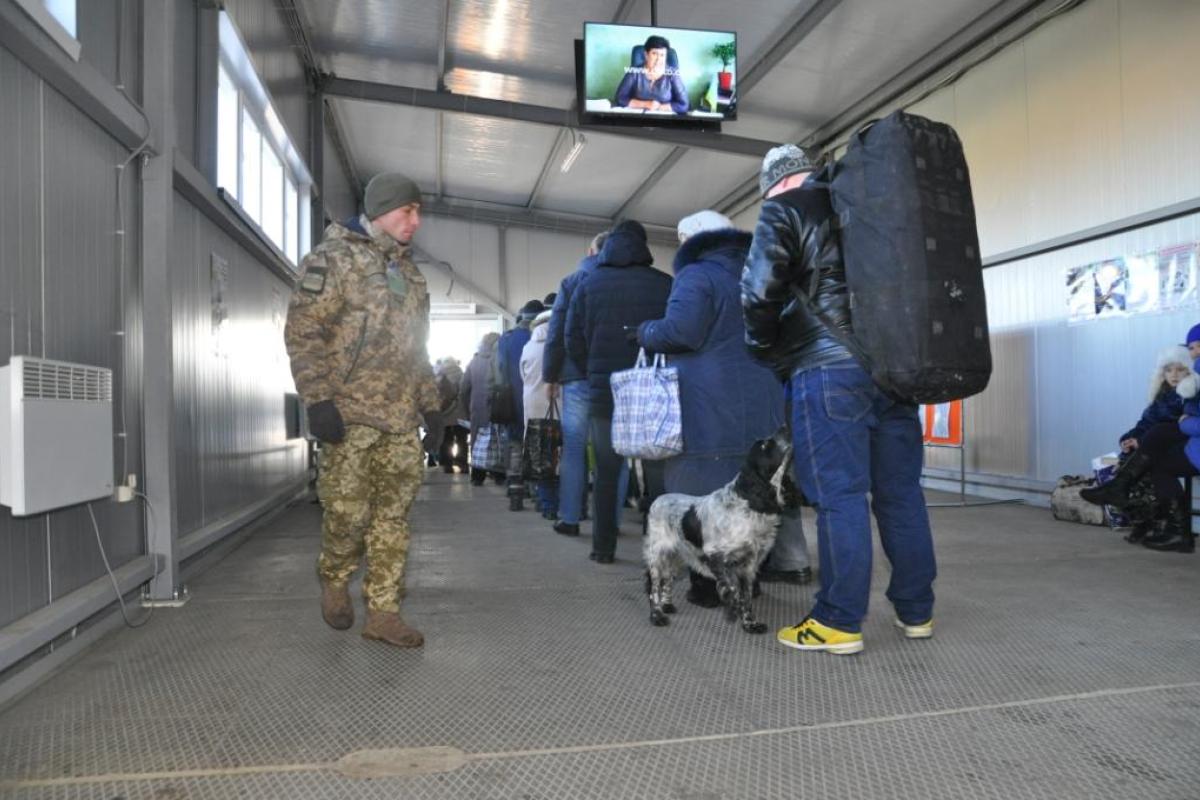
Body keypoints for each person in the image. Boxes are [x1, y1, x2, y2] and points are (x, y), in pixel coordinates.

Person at [741, 145, 937, 655]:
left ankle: (838, 621)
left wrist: (764, 348)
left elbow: (758, 293)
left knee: (840, 498)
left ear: (775, 184)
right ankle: (917, 612)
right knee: (901, 495)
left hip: (827, 372)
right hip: (895, 371)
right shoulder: (871, 207)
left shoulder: (785, 209)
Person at [285, 171, 439, 649]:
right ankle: (335, 576)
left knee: (393, 518)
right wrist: (318, 399)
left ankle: (384, 612)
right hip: (348, 414)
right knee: (347, 515)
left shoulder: (411, 275)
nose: (415, 221)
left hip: (398, 417)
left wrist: (431, 405)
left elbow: (418, 348)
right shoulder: (334, 260)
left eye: (418, 212)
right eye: (406, 211)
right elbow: (303, 331)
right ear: (379, 211)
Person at [638, 210, 810, 608]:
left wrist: (646, 331)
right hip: (763, 390)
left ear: (692, 239)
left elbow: (682, 330)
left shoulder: (697, 275)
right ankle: (753, 576)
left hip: (707, 401)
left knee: (702, 484)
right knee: (757, 487)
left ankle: (709, 586)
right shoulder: (762, 273)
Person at [566, 220, 672, 563]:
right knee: (656, 474)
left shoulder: (588, 285)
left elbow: (572, 338)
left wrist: (592, 370)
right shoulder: (665, 284)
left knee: (607, 473)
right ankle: (655, 546)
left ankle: (603, 548)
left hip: (605, 393)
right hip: (653, 392)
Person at [1082, 326, 1200, 554]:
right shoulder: (1170, 392)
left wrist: (1183, 423)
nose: (1196, 352)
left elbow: (1182, 423)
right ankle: (1150, 519)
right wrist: (1132, 437)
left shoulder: (1191, 387)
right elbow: (1148, 420)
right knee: (1146, 453)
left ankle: (1139, 507)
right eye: (1193, 347)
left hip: (1185, 444)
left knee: (1156, 444)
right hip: (1183, 444)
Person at [543, 232, 607, 536]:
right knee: (612, 450)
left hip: (575, 375)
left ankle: (569, 517)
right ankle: (610, 521)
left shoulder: (572, 281)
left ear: (590, 250)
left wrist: (550, 376)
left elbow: (556, 331)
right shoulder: (622, 280)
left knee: (574, 448)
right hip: (613, 375)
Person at [497, 300, 545, 510]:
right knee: (535, 447)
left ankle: (515, 489)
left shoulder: (506, 340)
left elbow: (499, 371)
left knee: (515, 445)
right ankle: (536, 492)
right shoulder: (541, 338)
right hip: (537, 400)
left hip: (512, 401)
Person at [520, 308, 560, 519]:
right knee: (562, 457)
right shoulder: (563, 345)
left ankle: (546, 505)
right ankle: (569, 505)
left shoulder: (529, 347)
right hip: (560, 406)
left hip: (534, 407)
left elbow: (522, 375)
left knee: (541, 456)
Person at [460, 332, 503, 486]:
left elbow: (464, 390)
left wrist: (467, 410)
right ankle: (499, 475)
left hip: (477, 410)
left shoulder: (473, 362)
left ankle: (477, 476)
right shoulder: (500, 360)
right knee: (498, 441)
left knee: (477, 442)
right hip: (498, 407)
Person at [613, 35, 689, 114]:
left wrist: (659, 107)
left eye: (662, 55)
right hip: (638, 119)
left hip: (664, 120)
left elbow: (684, 105)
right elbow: (620, 98)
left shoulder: (673, 74)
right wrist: (646, 104)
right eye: (654, 54)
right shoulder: (634, 72)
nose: (658, 59)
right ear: (646, 55)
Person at [436, 357, 469, 474]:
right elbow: (465, 391)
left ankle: (447, 464)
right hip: (460, 412)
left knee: (446, 439)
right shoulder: (461, 374)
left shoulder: (439, 375)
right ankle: (462, 462)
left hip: (445, 412)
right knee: (461, 439)